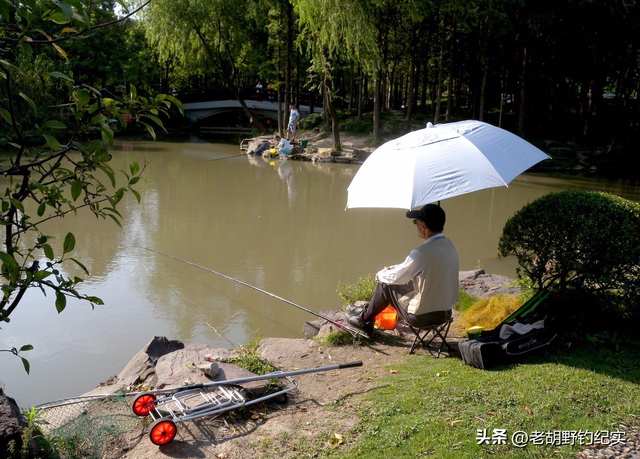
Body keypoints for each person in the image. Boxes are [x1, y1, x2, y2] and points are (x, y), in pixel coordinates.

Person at [345, 204, 459, 334]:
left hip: (422, 317)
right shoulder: (449, 245)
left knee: (385, 284)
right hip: (445, 313)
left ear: (423, 226)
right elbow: (410, 269)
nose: (415, 225)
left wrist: (381, 275)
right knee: (408, 282)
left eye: (416, 222)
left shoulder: (421, 253)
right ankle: (367, 311)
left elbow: (398, 277)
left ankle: (365, 320)